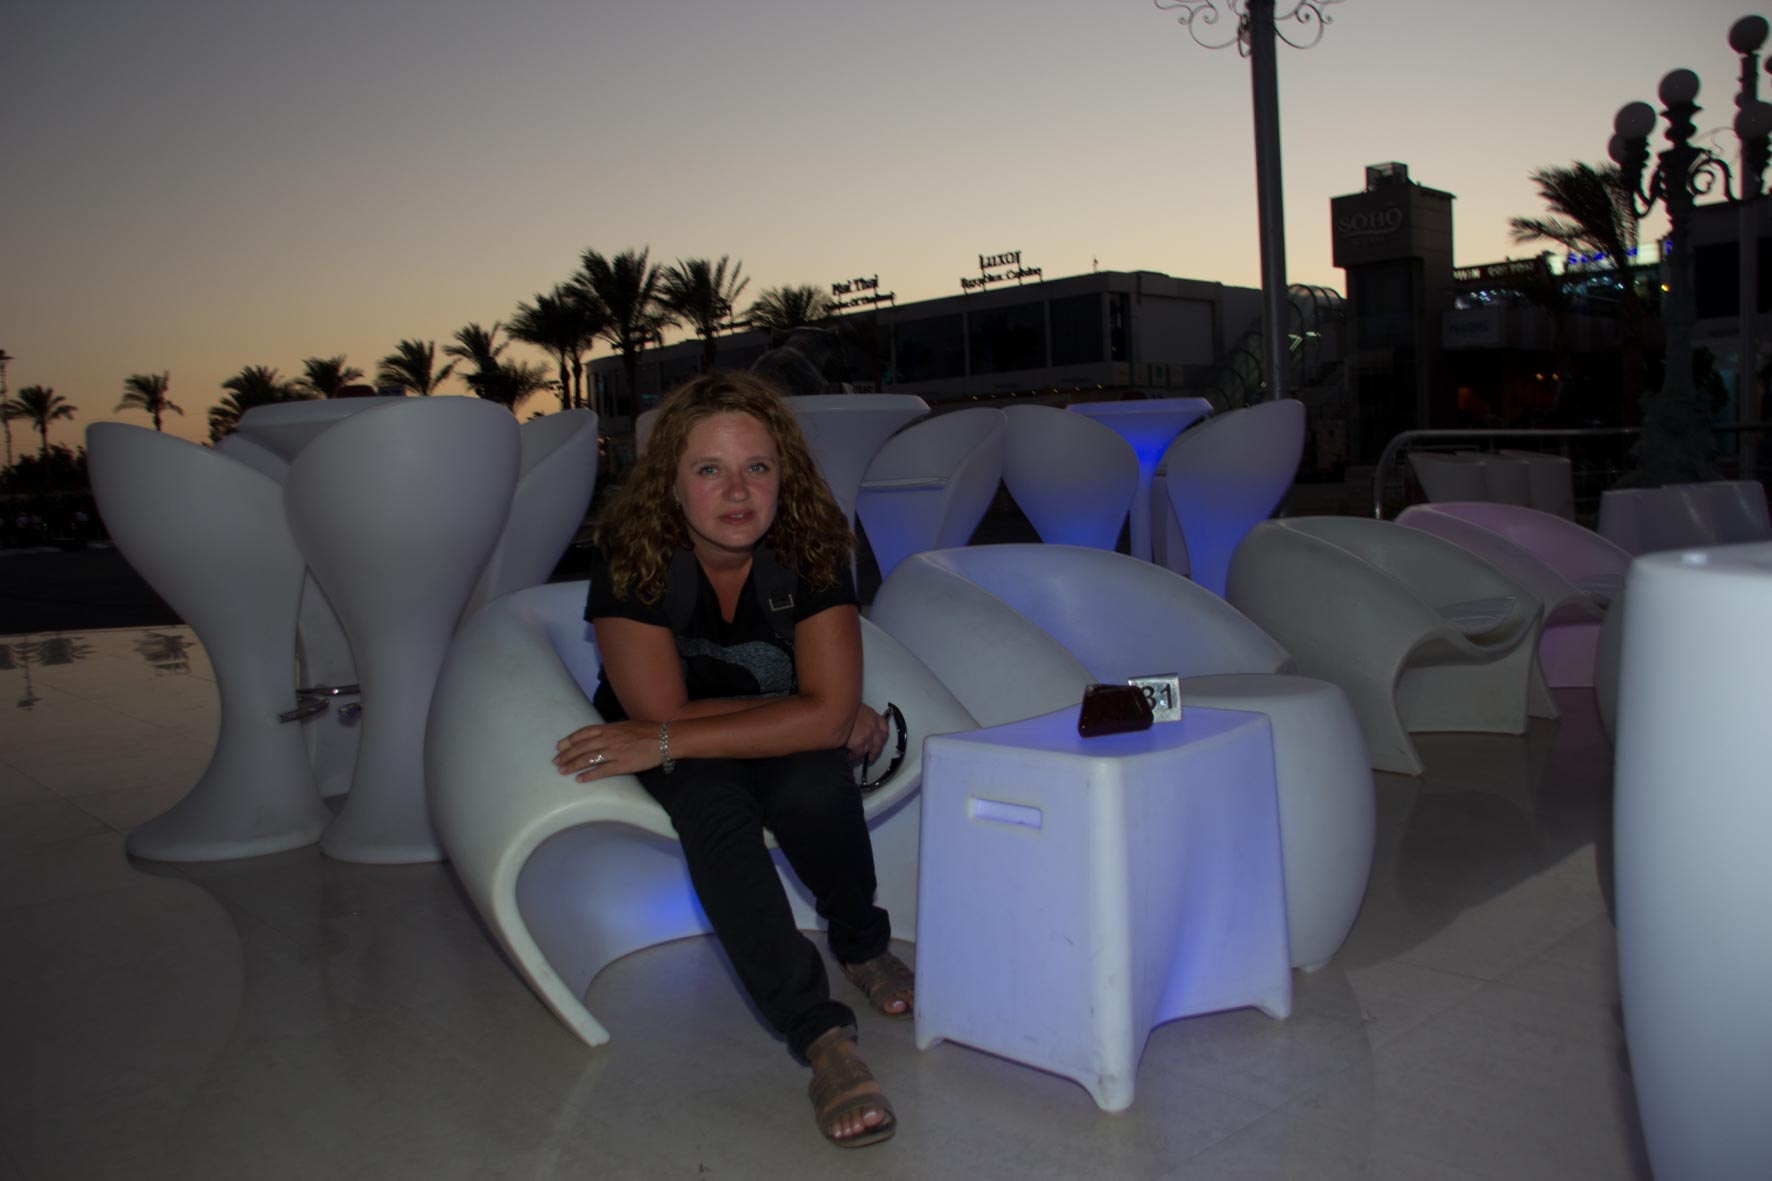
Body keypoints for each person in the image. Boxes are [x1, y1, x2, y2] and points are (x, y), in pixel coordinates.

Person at [553, 370, 912, 1148]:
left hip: (694, 732)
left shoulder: (813, 542)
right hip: (671, 735)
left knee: (816, 784)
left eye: (757, 466)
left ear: (785, 474)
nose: (738, 491)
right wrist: (811, 711)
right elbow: (660, 711)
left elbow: (809, 719)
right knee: (714, 803)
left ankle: (861, 942)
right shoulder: (632, 551)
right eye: (709, 468)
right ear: (672, 482)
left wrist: (816, 716)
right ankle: (823, 1038)